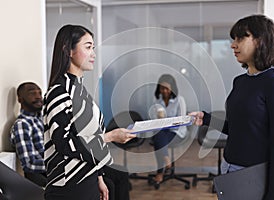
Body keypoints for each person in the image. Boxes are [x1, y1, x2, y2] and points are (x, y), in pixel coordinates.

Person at [189, 15, 274, 200]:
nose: (233, 45)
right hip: (228, 168)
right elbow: (238, 128)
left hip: (253, 174)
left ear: (260, 41)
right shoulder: (240, 82)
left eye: (240, 38)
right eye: (233, 39)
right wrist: (207, 118)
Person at [43, 24, 136, 200]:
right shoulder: (59, 91)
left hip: (87, 178)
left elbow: (91, 136)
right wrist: (110, 137)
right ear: (68, 50)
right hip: (68, 185)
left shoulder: (80, 90)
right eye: (88, 47)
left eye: (93, 48)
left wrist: (98, 176)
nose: (93, 54)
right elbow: (63, 143)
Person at [151, 74, 187, 184]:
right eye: (162, 88)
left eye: (167, 88)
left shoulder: (179, 100)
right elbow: (152, 117)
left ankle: (160, 172)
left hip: (176, 131)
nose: (164, 91)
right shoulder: (157, 100)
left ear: (172, 88)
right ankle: (166, 158)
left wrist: (167, 122)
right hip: (161, 131)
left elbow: (182, 120)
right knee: (159, 135)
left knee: (158, 139)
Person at [10, 82, 47, 187]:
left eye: (40, 93)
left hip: (55, 171)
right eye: (32, 93)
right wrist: (60, 165)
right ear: (20, 99)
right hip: (43, 179)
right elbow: (29, 163)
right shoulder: (22, 124)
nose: (38, 97)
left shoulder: (41, 119)